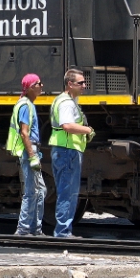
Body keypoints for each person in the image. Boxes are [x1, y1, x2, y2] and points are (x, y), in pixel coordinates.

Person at [49, 68, 94, 238]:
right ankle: (62, 232)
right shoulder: (66, 103)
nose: (84, 85)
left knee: (67, 191)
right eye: (80, 82)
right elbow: (67, 125)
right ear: (70, 84)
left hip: (66, 150)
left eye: (84, 82)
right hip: (67, 151)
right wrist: (87, 130)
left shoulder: (66, 100)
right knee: (68, 192)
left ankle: (63, 231)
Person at [7, 74, 46, 236]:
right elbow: (24, 133)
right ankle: (23, 229)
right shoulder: (25, 106)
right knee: (31, 191)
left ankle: (35, 229)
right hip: (29, 152)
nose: (42, 85)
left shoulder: (28, 104)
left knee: (41, 190)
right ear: (30, 87)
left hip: (32, 151)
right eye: (38, 83)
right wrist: (32, 156)